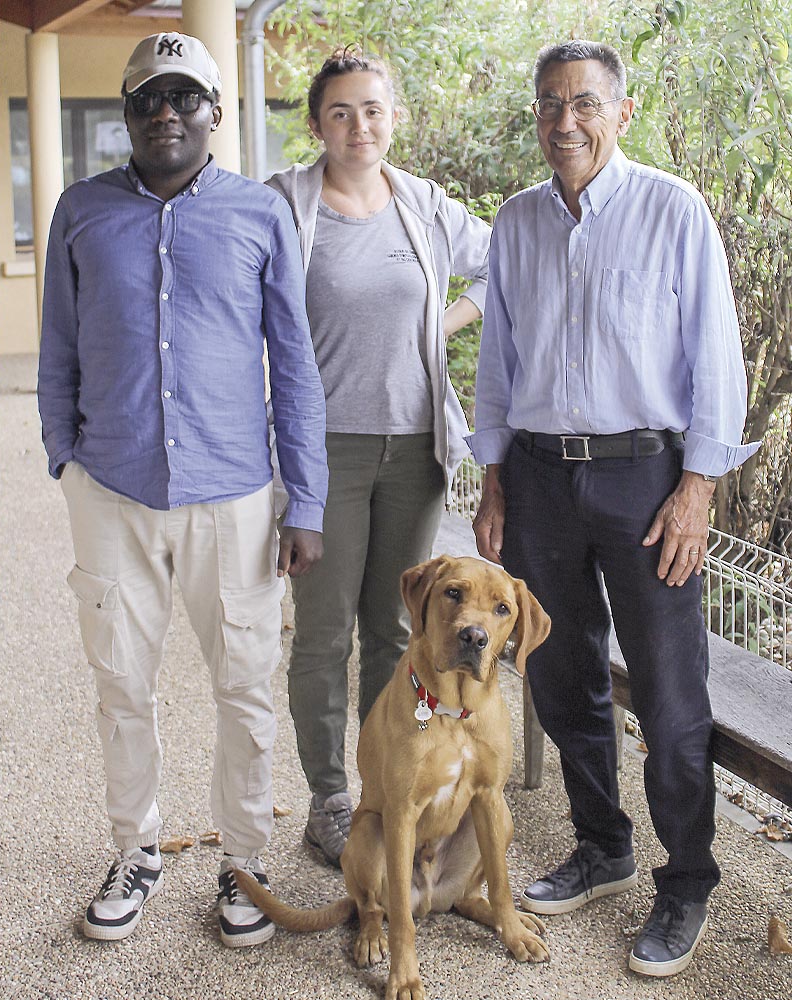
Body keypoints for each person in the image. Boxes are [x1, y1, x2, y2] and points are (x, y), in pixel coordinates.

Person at [469, 39, 760, 978]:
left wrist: (699, 486)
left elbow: (717, 358)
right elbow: (499, 366)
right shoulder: (515, 224)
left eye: (585, 104)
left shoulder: (674, 211)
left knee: (672, 697)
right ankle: (602, 846)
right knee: (559, 672)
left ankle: (686, 883)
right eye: (550, 104)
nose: (565, 122)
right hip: (542, 476)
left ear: (621, 112)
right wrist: (495, 476)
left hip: (648, 480)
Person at [37, 32, 328, 947]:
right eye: (146, 99)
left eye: (183, 97)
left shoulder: (259, 214)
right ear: (128, 115)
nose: (165, 112)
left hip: (233, 496)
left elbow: (296, 364)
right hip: (112, 491)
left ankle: (244, 860)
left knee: (244, 686)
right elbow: (58, 351)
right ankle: (137, 850)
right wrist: (65, 460)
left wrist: (305, 502)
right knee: (120, 684)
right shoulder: (80, 211)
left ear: (212, 111)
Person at [266, 48, 491, 867]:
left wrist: (442, 324)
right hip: (322, 450)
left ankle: (395, 784)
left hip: (417, 450)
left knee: (399, 636)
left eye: (372, 109)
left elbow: (504, 266)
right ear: (318, 124)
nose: (359, 125)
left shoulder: (423, 205)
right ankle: (330, 798)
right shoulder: (286, 206)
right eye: (340, 112)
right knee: (324, 634)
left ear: (394, 116)